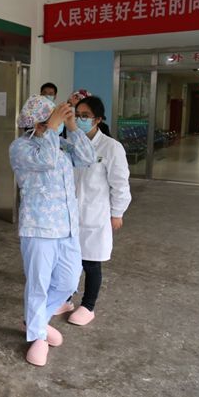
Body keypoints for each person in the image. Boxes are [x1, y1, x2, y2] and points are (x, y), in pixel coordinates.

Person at [9, 95, 96, 367]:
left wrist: (72, 127)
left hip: (67, 227)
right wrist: (52, 129)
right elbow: (45, 161)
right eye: (50, 121)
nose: (54, 125)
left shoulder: (59, 143)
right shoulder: (20, 147)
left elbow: (88, 158)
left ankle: (36, 321)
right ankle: (37, 336)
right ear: (36, 123)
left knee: (69, 282)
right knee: (39, 285)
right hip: (38, 227)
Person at [68, 96, 131, 326]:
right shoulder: (71, 142)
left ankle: (88, 305)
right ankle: (65, 298)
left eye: (85, 116)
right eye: (77, 115)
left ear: (98, 119)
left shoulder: (111, 147)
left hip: (96, 214)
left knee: (91, 263)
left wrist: (117, 213)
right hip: (69, 214)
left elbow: (120, 184)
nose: (80, 120)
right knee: (68, 261)